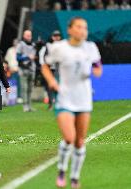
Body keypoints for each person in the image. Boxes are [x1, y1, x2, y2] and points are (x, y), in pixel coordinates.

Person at [41, 17, 102, 188]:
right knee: (69, 138)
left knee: (80, 141)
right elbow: (45, 66)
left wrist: (96, 70)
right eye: (79, 27)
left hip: (84, 98)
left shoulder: (91, 48)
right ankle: (61, 169)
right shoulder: (59, 48)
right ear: (70, 29)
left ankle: (74, 177)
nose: (82, 30)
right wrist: (52, 82)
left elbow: (98, 66)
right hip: (65, 97)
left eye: (85, 27)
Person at [39, 30, 62, 110]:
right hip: (51, 69)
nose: (56, 37)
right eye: (55, 36)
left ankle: (59, 103)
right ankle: (51, 104)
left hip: (60, 69)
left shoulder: (63, 45)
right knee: (50, 87)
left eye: (58, 36)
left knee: (60, 86)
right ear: (52, 37)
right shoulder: (48, 46)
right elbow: (45, 57)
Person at [16, 30, 37, 112]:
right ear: (24, 36)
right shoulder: (20, 45)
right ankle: (25, 105)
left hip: (32, 68)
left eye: (30, 35)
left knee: (30, 88)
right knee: (24, 88)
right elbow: (17, 57)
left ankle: (29, 105)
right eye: (27, 35)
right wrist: (27, 57)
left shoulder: (33, 45)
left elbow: (36, 55)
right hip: (23, 68)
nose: (29, 37)